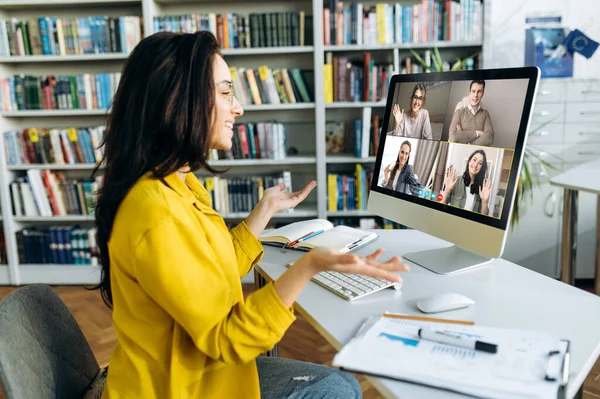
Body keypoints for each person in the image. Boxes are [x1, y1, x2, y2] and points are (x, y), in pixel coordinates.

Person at [93, 31, 409, 399]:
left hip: (199, 373)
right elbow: (226, 339)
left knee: (340, 385)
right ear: (180, 100)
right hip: (185, 387)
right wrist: (308, 267)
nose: (239, 107)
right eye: (226, 93)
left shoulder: (176, 182)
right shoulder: (156, 213)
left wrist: (264, 211)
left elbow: (212, 270)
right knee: (339, 390)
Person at [440, 149, 493, 215]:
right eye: (474, 160)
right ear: (469, 161)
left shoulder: (482, 189)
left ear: (482, 168)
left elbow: (484, 215)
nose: (475, 164)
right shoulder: (455, 181)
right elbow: (440, 206)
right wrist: (447, 190)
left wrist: (485, 202)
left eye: (480, 163)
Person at [449, 80, 494, 146]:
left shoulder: (485, 114)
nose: (475, 95)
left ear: (482, 94)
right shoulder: (459, 112)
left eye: (479, 92)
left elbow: (490, 138)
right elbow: (453, 137)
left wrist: (466, 141)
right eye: (473, 91)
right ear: (469, 93)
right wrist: (477, 133)